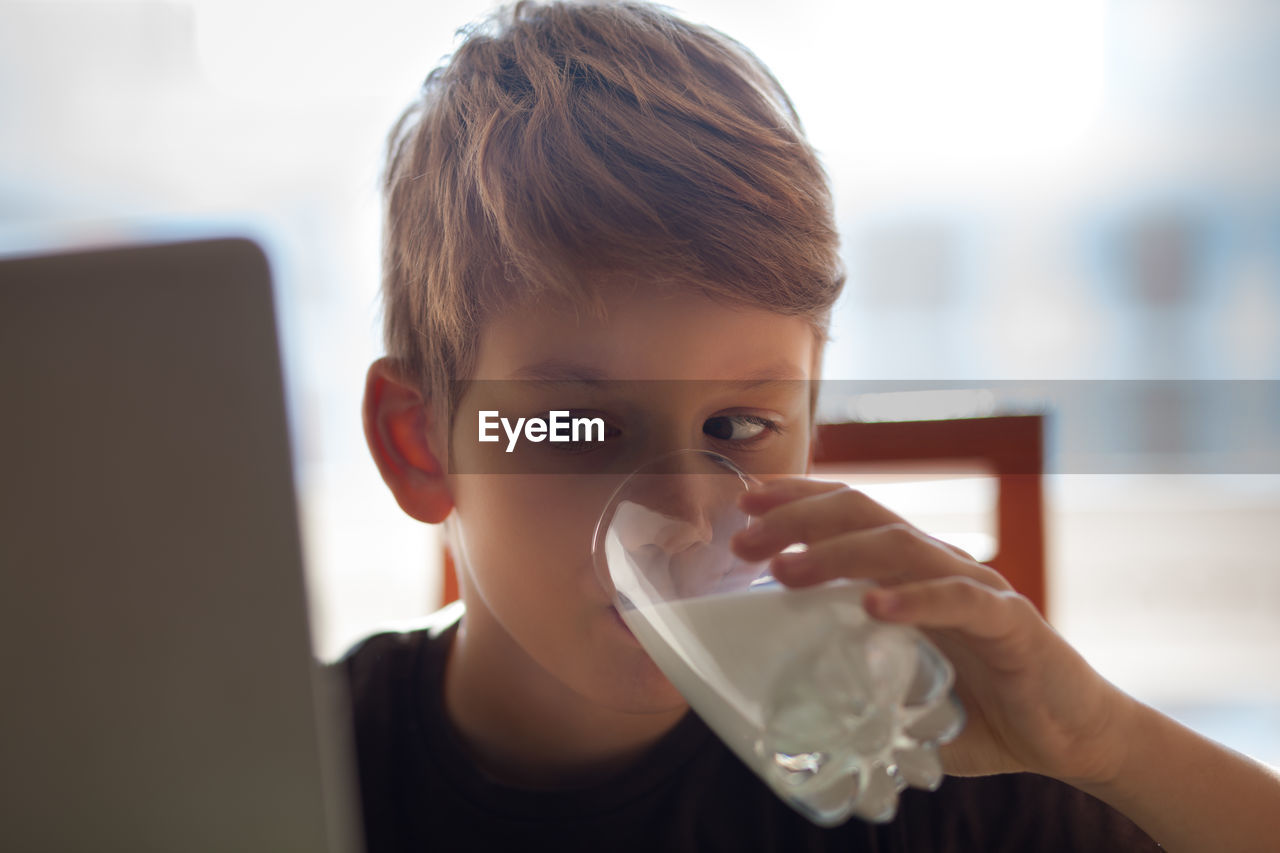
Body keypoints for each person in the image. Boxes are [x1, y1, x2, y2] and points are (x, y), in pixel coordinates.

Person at [345, 2, 1280, 850]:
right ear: (422, 442)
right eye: (584, 428)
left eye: (740, 423)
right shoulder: (282, 767)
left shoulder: (907, 762)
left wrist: (1104, 743)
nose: (685, 508)